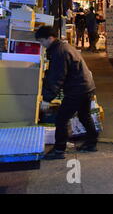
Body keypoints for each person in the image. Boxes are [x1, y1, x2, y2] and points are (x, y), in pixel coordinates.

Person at [36, 26, 98, 160]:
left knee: (61, 118)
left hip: (77, 89)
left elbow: (57, 77)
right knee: (84, 115)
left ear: (50, 38)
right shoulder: (63, 47)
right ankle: (92, 143)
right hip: (85, 86)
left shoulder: (59, 52)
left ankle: (59, 150)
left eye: (42, 41)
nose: (42, 45)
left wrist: (47, 99)